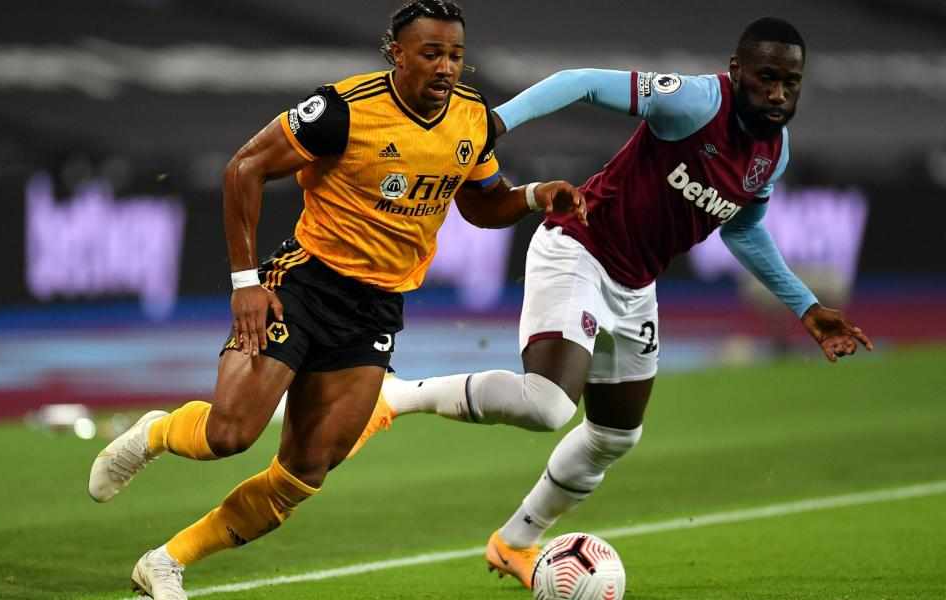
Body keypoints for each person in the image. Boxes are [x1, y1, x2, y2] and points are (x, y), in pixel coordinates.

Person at [350, 16, 874, 589]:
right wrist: (493, 122)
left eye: (789, 83)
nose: (777, 93)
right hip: (579, 246)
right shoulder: (697, 103)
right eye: (765, 78)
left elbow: (743, 230)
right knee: (549, 406)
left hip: (635, 283)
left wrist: (805, 306)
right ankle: (396, 395)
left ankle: (515, 543)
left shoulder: (773, 154)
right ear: (735, 71)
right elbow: (579, 81)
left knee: (616, 436)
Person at [86, 2, 586, 598]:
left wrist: (533, 195)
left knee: (304, 472)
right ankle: (157, 433)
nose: (446, 67)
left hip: (375, 311)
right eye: (431, 54)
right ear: (396, 54)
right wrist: (246, 284)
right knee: (230, 435)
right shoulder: (344, 110)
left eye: (455, 55)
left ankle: (167, 561)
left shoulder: (471, 118)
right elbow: (243, 169)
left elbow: (479, 203)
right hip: (302, 287)